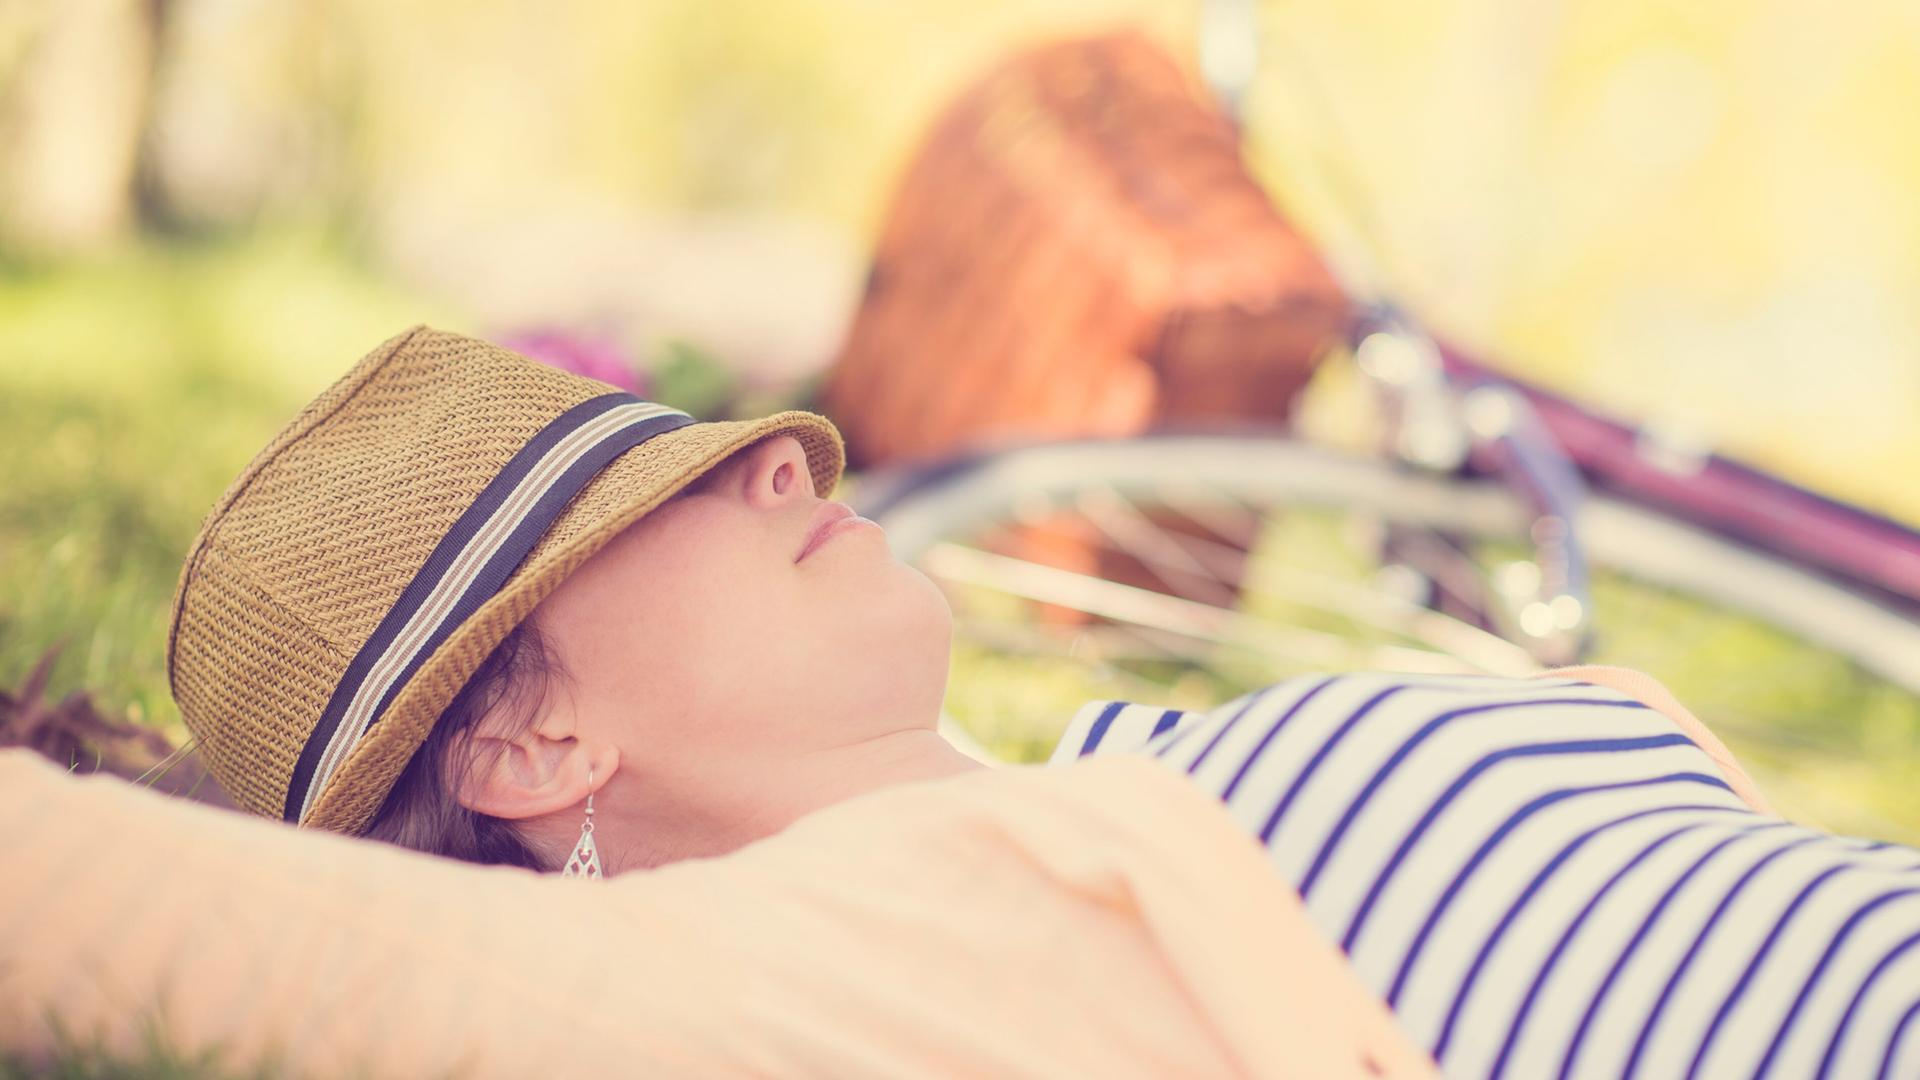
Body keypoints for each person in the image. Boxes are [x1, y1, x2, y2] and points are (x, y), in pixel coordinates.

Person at [167, 326, 1920, 1078]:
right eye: (647, 500)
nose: (782, 456)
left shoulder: (1118, 781)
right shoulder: (824, 988)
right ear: (525, 745)